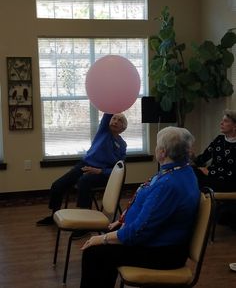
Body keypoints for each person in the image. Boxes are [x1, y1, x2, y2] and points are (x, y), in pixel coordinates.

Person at [79, 126, 200, 288]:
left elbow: (139, 231)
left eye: (157, 145)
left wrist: (103, 238)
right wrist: (123, 221)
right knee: (103, 246)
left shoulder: (168, 185)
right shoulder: (182, 171)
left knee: (94, 252)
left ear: (162, 152)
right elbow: (148, 210)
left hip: (164, 252)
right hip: (162, 242)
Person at [36, 113, 127, 227]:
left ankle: (84, 222)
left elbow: (119, 168)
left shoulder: (122, 145)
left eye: (120, 120)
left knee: (84, 182)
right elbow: (107, 112)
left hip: (100, 172)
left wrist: (99, 171)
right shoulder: (103, 132)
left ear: (123, 128)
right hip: (84, 165)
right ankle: (53, 216)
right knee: (57, 185)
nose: (115, 121)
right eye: (114, 118)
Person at [193, 109, 236, 192]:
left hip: (229, 181)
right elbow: (203, 158)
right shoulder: (219, 140)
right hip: (211, 177)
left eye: (226, 121)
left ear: (235, 126)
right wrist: (190, 160)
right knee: (191, 172)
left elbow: (233, 172)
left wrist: (210, 173)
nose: (221, 123)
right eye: (222, 120)